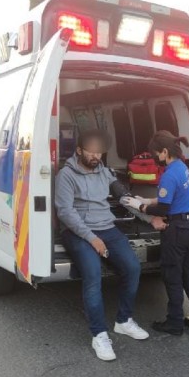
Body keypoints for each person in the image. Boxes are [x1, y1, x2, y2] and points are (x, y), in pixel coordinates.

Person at [54, 129, 149, 361]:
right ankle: (99, 334)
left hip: (107, 227)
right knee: (93, 274)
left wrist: (149, 217)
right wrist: (92, 238)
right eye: (91, 152)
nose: (96, 156)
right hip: (77, 232)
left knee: (132, 268)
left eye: (99, 153)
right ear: (79, 150)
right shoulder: (66, 175)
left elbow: (123, 197)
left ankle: (123, 321)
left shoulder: (104, 171)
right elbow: (65, 212)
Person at [125, 130, 189, 335]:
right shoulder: (182, 168)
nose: (155, 157)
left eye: (156, 154)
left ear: (164, 152)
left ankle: (174, 322)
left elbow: (163, 209)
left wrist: (140, 206)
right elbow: (172, 197)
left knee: (172, 277)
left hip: (177, 231)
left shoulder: (168, 175)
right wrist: (149, 200)